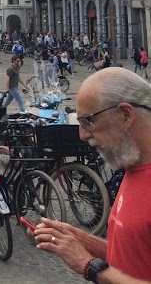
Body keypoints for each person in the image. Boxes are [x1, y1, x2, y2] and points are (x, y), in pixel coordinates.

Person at [33, 68, 151, 282]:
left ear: (125, 114)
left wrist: (89, 266)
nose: (82, 134)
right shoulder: (132, 167)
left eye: (88, 121)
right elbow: (131, 255)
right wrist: (83, 240)